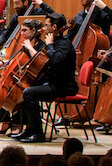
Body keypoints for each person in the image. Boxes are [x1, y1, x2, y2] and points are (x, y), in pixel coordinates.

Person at [14, 13, 78, 142]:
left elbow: (55, 60)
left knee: (29, 93)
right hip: (52, 83)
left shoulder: (64, 44)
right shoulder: (56, 43)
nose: (44, 27)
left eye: (47, 25)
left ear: (54, 27)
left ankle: (37, 133)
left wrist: (49, 45)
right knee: (25, 88)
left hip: (62, 87)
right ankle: (29, 130)